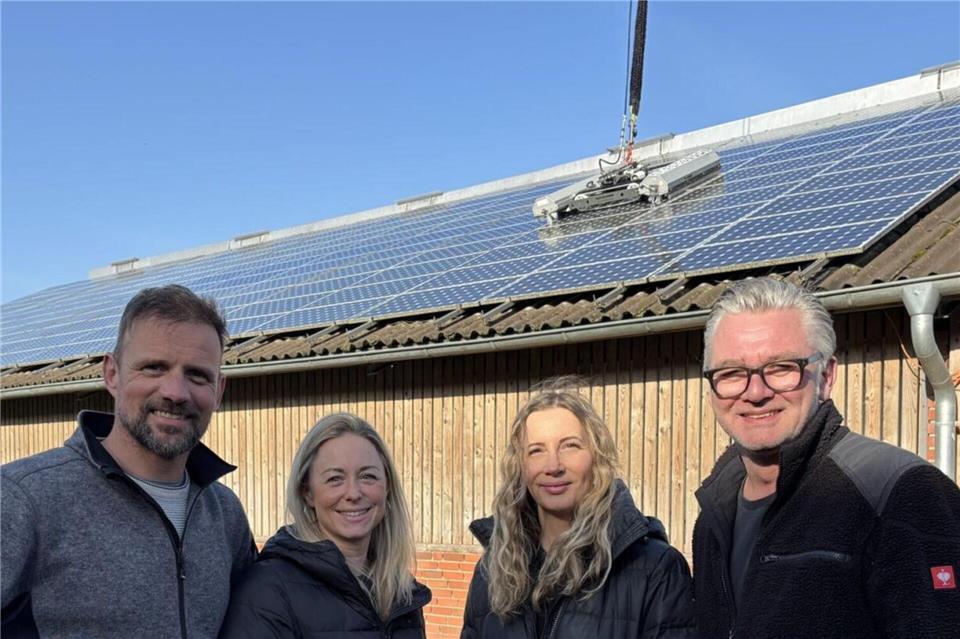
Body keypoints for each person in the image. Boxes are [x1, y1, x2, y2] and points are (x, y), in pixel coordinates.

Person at [693, 276, 960, 638]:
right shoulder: (714, 514)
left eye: (780, 368)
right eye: (731, 373)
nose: (755, 392)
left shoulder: (899, 495)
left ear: (826, 376)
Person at [1, 284, 256, 638]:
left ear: (219, 392)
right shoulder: (23, 499)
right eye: (154, 367)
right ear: (112, 374)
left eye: (197, 375)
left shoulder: (225, 514)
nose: (175, 392)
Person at [461, 377, 696, 638]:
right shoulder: (493, 572)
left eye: (570, 446)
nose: (553, 466)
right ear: (520, 467)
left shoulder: (656, 570)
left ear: (597, 457)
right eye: (536, 451)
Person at [219, 412, 431, 638]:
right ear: (307, 493)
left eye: (368, 476)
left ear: (387, 487)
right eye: (334, 479)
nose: (353, 493)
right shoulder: (268, 591)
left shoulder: (401, 591)